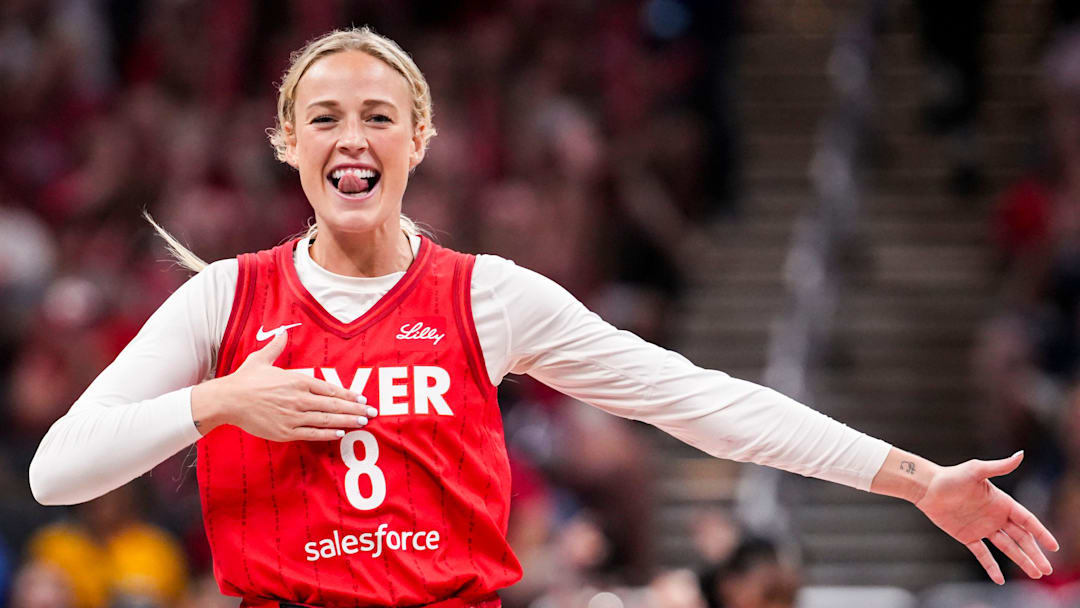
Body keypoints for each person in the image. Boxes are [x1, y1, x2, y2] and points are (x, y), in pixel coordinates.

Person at [28, 26, 1058, 608]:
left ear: (419, 139)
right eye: (325, 118)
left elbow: (697, 401)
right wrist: (219, 399)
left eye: (378, 115)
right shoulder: (223, 300)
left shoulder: (487, 296)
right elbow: (57, 469)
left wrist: (920, 480)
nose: (353, 136)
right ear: (286, 143)